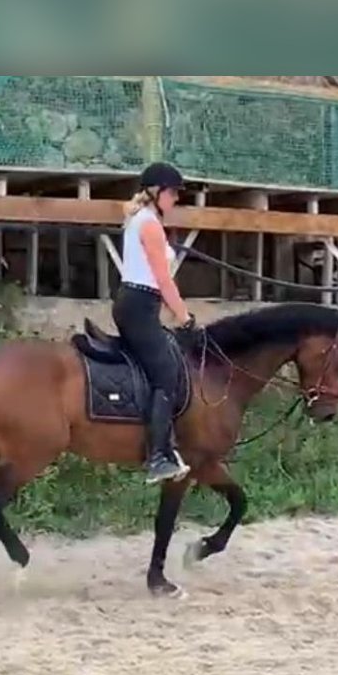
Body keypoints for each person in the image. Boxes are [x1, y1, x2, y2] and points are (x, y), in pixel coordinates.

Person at [113, 161, 198, 483]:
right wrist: (184, 316)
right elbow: (163, 280)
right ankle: (158, 457)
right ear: (156, 191)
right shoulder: (149, 224)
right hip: (139, 305)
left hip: (139, 304)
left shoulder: (142, 219)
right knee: (166, 374)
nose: (176, 198)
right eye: (173, 192)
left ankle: (167, 448)